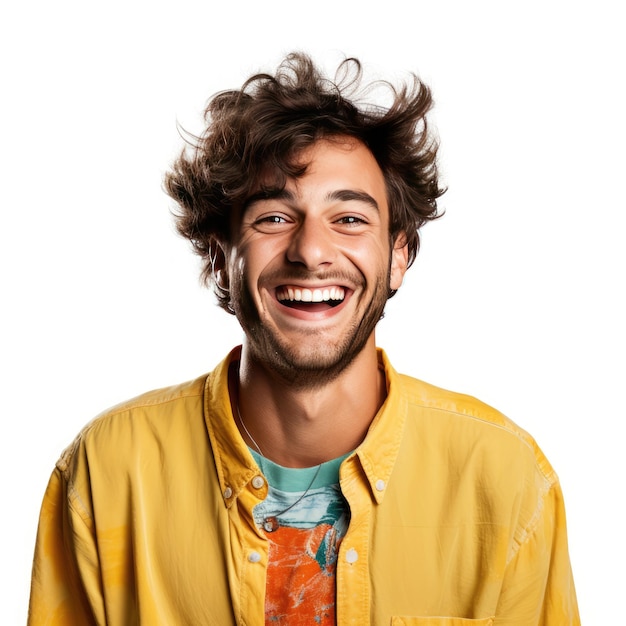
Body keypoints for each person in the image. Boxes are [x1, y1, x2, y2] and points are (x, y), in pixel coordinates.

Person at [28, 53, 580, 625]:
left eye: (349, 220)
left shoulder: (505, 479)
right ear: (221, 259)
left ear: (399, 255)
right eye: (273, 218)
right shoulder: (108, 471)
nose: (311, 251)